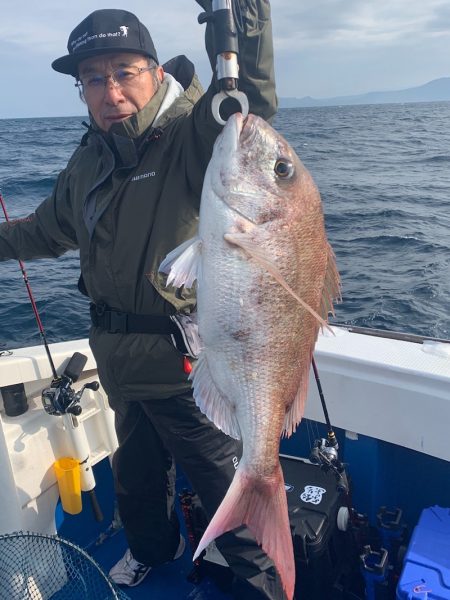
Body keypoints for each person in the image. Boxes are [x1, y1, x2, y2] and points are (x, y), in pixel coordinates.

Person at [0, 4, 285, 599]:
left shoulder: (193, 134)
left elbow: (248, 106)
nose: (111, 91)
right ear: (81, 89)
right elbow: (43, 231)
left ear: (155, 72)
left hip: (188, 369)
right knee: (135, 481)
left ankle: (260, 583)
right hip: (121, 366)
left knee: (222, 482)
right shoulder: (89, 160)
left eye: (124, 71)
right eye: (94, 78)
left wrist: (244, 22)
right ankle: (155, 552)